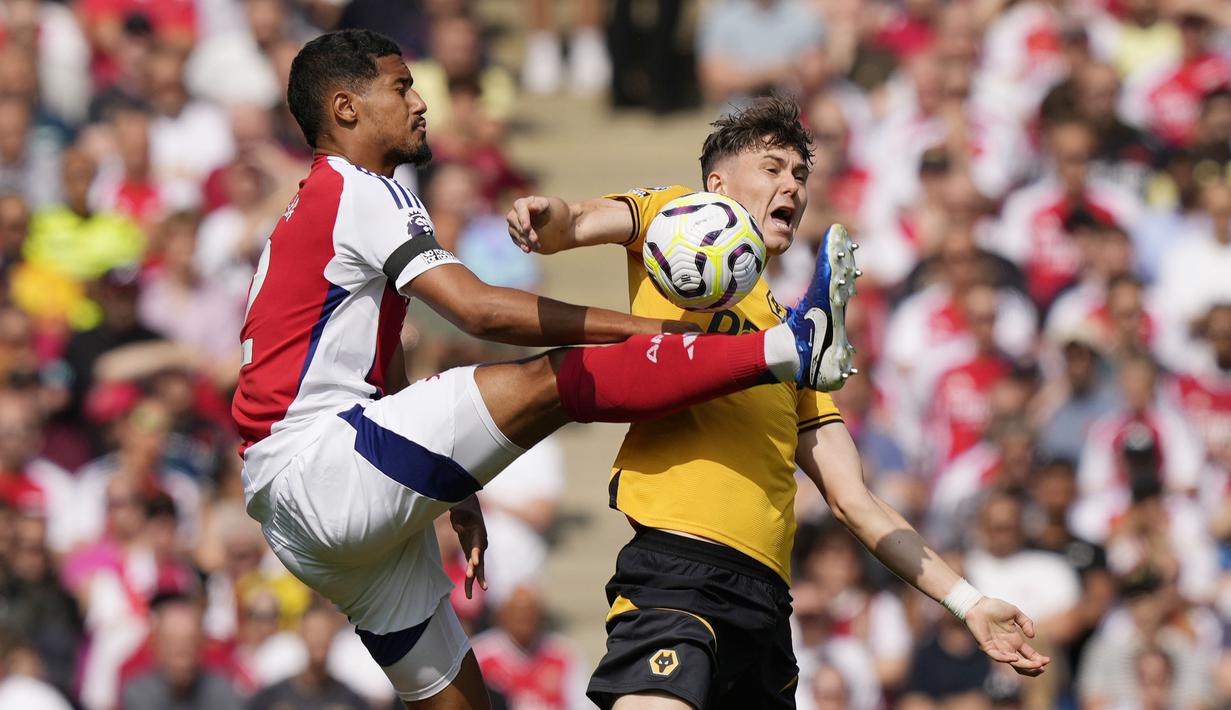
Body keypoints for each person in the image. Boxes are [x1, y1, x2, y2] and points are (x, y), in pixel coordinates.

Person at [235, 30, 868, 710]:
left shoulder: (329, 202)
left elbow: (378, 362)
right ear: (345, 109)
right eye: (401, 87)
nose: (421, 103)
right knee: (559, 378)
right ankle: (791, 347)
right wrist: (652, 330)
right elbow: (479, 311)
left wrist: (449, 489)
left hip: (305, 509)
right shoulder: (360, 189)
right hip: (322, 464)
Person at [507, 95, 1049, 710]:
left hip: (767, 604)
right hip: (679, 571)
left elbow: (855, 502)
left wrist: (969, 603)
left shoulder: (795, 342)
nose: (791, 184)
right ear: (717, 184)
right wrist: (540, 215)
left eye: (799, 174)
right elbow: (576, 220)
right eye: (772, 168)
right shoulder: (677, 218)